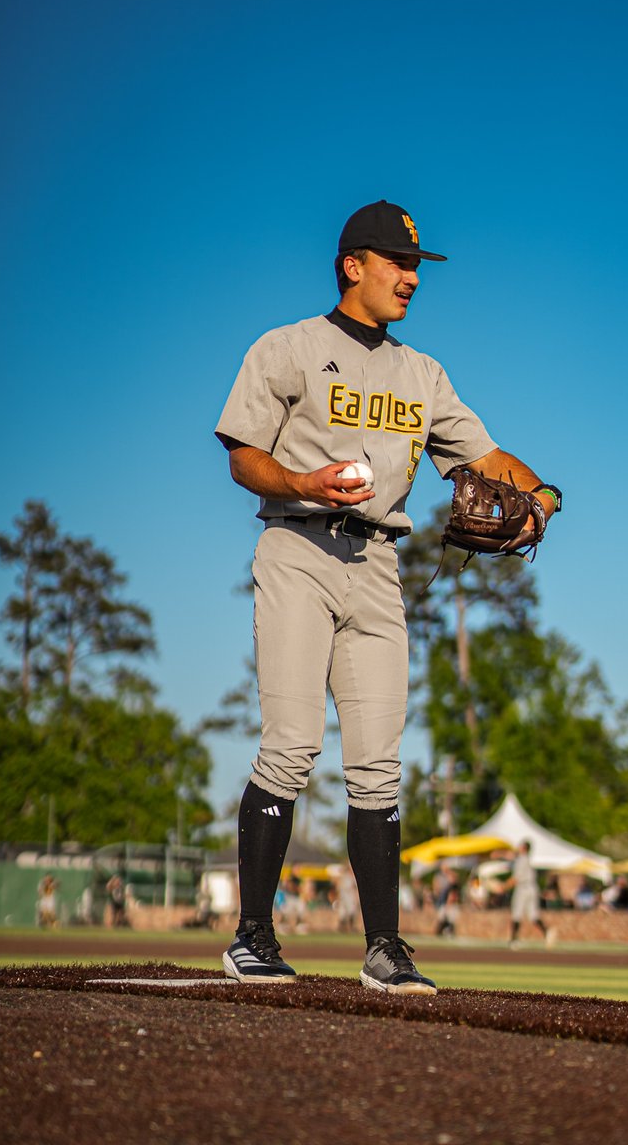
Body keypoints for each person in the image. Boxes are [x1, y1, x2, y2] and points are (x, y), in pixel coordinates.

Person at [214, 200, 560, 993]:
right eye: (398, 263)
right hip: (298, 548)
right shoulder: (289, 348)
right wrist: (302, 482)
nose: (411, 277)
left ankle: (385, 949)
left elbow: (485, 454)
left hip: (378, 565)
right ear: (353, 266)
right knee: (293, 744)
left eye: (418, 266)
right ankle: (253, 938)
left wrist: (543, 491)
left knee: (379, 768)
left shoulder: (422, 373)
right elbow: (242, 455)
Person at [505, 841, 555, 947]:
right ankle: (546, 931)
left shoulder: (520, 860)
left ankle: (514, 940)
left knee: (516, 914)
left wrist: (503, 887)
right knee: (533, 915)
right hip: (532, 888)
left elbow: (515, 878)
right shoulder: (527, 859)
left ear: (524, 848)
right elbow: (509, 856)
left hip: (522, 889)